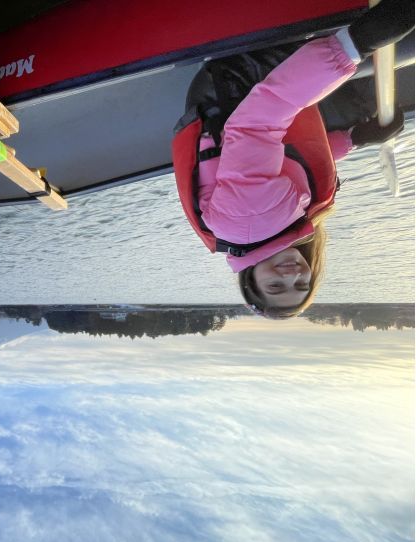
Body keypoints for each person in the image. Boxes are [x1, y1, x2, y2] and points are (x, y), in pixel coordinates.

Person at [172, 0, 413, 318]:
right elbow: (289, 160)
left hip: (239, 77)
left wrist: (355, 44)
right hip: (236, 93)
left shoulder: (251, 220)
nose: (292, 276)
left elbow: (257, 122)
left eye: (275, 286)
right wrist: (354, 139)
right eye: (302, 285)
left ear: (251, 277)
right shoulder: (266, 231)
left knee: (395, 57)